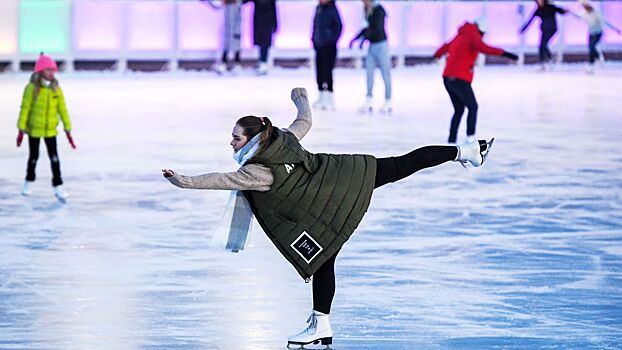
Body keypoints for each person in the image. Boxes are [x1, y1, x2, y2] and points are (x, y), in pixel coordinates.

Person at [162, 87, 494, 347]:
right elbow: (305, 121)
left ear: (251, 140)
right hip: (342, 175)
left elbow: (222, 179)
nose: (230, 142)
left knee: (323, 259)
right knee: (401, 164)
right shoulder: (282, 140)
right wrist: (301, 99)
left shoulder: (258, 172)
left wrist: (184, 181)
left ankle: (321, 324)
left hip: (328, 202)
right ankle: (466, 152)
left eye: (236, 137)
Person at [434, 18, 518, 144]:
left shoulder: (461, 34)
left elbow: (446, 46)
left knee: (459, 109)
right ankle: (470, 139)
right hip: (459, 78)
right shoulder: (473, 36)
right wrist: (505, 53)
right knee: (473, 107)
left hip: (447, 78)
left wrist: (437, 54)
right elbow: (484, 48)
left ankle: (451, 140)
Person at [16, 53, 76, 202]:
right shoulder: (31, 89)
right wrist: (21, 127)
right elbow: (25, 108)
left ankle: (58, 184)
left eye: (53, 70)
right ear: (40, 71)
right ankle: (28, 181)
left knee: (54, 158)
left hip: (50, 130)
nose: (51, 73)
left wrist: (67, 126)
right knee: (33, 157)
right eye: (48, 69)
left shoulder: (56, 89)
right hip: (34, 129)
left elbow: (62, 109)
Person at [349, 0, 392, 114]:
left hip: (381, 45)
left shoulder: (379, 10)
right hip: (372, 46)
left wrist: (364, 40)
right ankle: (369, 99)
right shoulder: (368, 11)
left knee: (385, 73)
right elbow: (367, 28)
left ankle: (388, 100)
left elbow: (377, 29)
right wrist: (356, 39)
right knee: (369, 73)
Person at [311, 0, 342, 111]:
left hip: (329, 47)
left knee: (327, 70)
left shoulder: (332, 9)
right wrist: (313, 39)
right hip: (319, 46)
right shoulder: (318, 9)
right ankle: (321, 95)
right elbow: (315, 25)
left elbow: (339, 27)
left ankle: (329, 95)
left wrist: (331, 40)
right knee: (319, 71)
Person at [574, 0, 621, 73]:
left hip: (598, 32)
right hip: (591, 32)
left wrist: (615, 29)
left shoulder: (596, 13)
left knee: (592, 47)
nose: (585, 8)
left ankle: (596, 58)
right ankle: (594, 61)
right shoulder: (584, 13)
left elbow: (604, 21)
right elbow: (578, 17)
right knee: (590, 48)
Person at [520, 0, 568, 70]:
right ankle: (543, 62)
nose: (539, 2)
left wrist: (565, 11)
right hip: (544, 30)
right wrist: (523, 29)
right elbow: (530, 20)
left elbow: (560, 11)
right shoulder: (538, 10)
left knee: (543, 45)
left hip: (552, 29)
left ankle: (549, 59)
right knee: (541, 46)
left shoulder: (551, 7)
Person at [203, 0, 243, 74]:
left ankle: (233, 61)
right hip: (228, 4)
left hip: (233, 4)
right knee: (229, 31)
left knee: (232, 30)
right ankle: (228, 60)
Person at [243, 0, 278, 75]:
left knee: (265, 42)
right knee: (262, 42)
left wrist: (275, 24)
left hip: (266, 20)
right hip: (260, 19)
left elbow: (274, 8)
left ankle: (263, 62)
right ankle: (262, 62)